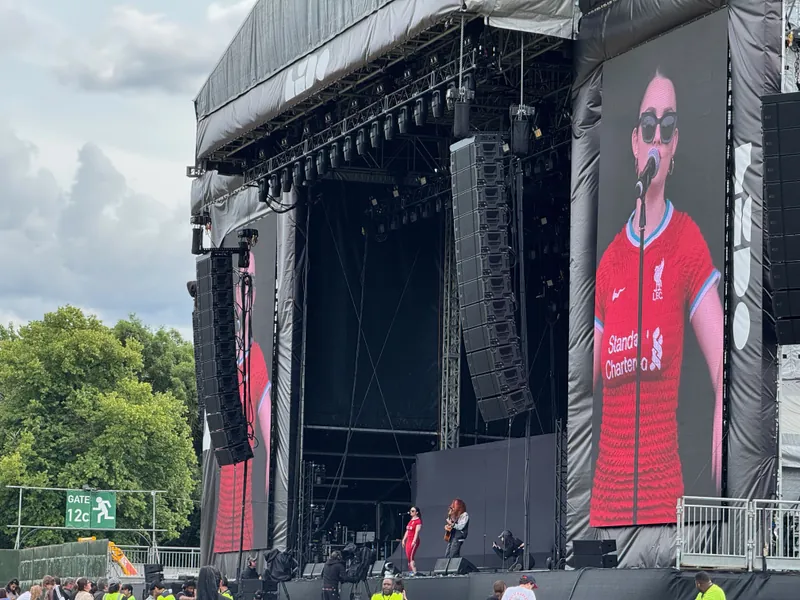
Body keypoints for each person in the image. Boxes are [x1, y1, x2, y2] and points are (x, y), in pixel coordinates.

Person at [592, 67, 724, 527]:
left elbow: (723, 366)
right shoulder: (609, 262)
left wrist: (720, 432)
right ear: (634, 141)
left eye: (667, 128)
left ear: (674, 146)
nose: (657, 138)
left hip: (664, 502)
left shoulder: (686, 240)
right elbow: (585, 386)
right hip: (605, 506)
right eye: (649, 125)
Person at [213, 250, 272, 553]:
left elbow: (271, 441)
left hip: (244, 499)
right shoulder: (224, 358)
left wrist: (268, 504)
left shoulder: (257, 361)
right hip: (226, 489)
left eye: (246, 284)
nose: (240, 294)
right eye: (237, 286)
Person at [401, 507, 422, 574]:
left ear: (417, 512)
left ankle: (414, 572)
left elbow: (416, 532)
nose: (411, 512)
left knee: (411, 557)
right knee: (408, 557)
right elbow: (407, 531)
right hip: (408, 541)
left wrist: (414, 541)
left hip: (413, 540)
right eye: (410, 511)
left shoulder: (418, 521)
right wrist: (404, 539)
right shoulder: (411, 520)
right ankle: (411, 571)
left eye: (413, 511)